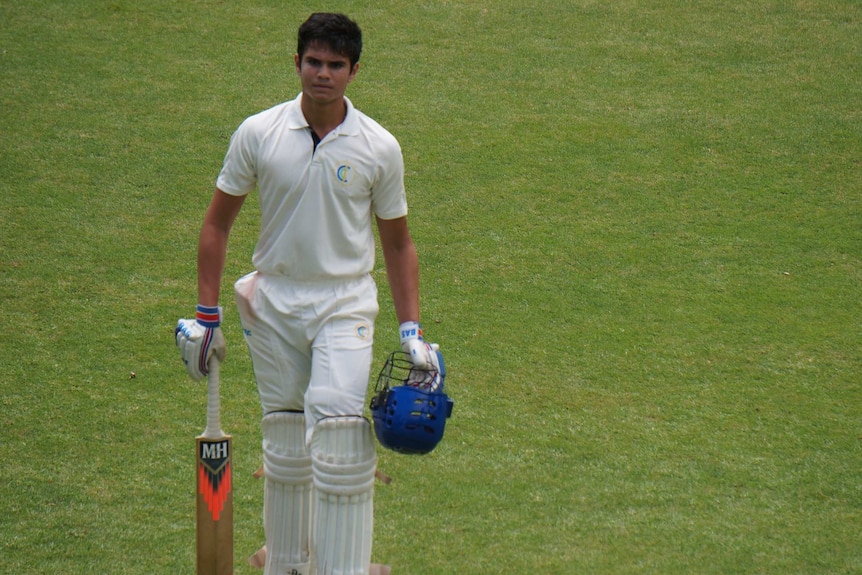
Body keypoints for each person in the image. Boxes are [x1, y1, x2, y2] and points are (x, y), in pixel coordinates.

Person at [175, 12, 440, 575]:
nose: (323, 74)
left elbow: (397, 244)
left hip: (345, 302)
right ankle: (287, 565)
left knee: (341, 438)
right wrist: (205, 316)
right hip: (272, 303)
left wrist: (412, 330)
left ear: (354, 71)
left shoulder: (378, 146)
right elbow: (216, 225)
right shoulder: (258, 133)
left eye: (335, 65)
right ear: (296, 63)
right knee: (288, 440)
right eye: (314, 62)